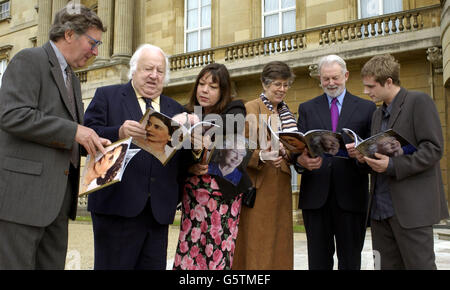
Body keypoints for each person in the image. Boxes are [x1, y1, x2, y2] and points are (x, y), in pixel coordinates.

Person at [0, 4, 109, 270]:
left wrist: (98, 145)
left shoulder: (72, 78)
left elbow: (66, 136)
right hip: (22, 203)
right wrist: (74, 131)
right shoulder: (29, 59)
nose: (95, 52)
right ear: (69, 34)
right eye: (92, 43)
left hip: (58, 203)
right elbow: (12, 115)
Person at [83, 44, 187, 270]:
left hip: (157, 213)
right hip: (115, 210)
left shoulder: (176, 109)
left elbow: (180, 163)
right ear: (134, 70)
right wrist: (118, 132)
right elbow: (84, 139)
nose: (154, 75)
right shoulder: (107, 96)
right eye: (148, 69)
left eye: (160, 71)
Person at [353, 54, 449, 269]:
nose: (367, 91)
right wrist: (363, 156)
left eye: (371, 86)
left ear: (388, 82)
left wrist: (393, 166)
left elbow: (433, 150)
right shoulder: (377, 115)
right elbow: (381, 155)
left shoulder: (419, 101)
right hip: (379, 211)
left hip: (411, 211)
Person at [294, 55, 376, 270]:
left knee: (350, 261)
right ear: (319, 79)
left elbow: (373, 153)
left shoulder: (367, 108)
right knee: (318, 262)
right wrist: (301, 161)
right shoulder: (306, 108)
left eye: (335, 78)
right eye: (326, 78)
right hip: (315, 197)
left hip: (351, 197)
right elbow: (298, 150)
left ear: (346, 76)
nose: (331, 83)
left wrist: (360, 157)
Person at [172, 63, 249, 270]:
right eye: (201, 84)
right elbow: (178, 155)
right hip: (194, 193)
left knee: (217, 252)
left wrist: (195, 122)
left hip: (223, 193)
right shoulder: (186, 112)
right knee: (189, 249)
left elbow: (234, 124)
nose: (204, 90)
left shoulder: (235, 107)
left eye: (213, 87)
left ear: (223, 91)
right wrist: (189, 167)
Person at [233, 61, 296, 270]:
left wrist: (292, 152)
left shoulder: (287, 112)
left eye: (286, 85)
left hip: (282, 186)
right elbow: (236, 150)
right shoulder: (249, 108)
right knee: (257, 247)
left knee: (280, 246)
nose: (282, 89)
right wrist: (261, 156)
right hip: (259, 189)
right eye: (277, 84)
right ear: (265, 84)